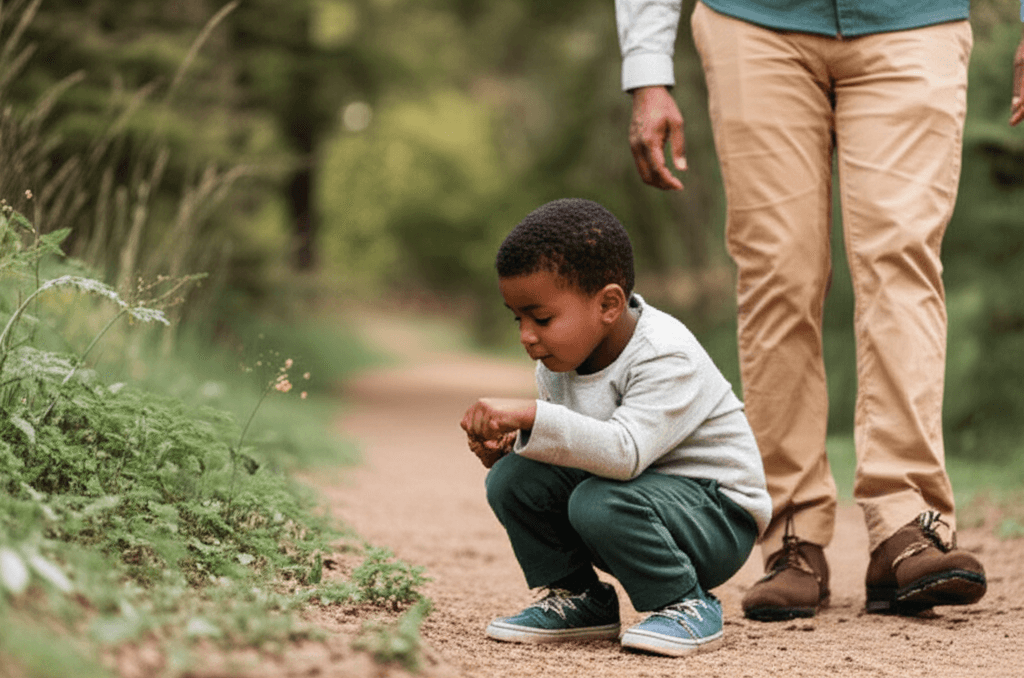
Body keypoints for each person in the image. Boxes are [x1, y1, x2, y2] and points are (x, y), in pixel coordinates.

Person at [617, 0, 1024, 621]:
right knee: (777, 273)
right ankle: (791, 535)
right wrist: (647, 67)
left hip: (917, 20)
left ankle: (906, 524)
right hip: (752, 23)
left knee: (902, 262)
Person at [460, 198, 771, 656]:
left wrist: (531, 416)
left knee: (596, 501)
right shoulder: (558, 362)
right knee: (513, 480)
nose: (527, 335)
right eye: (518, 319)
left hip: (718, 517)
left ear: (608, 304)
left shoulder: (666, 353)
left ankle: (687, 603)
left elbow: (623, 453)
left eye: (542, 318)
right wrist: (513, 447)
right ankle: (580, 599)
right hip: (634, 499)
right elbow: (577, 449)